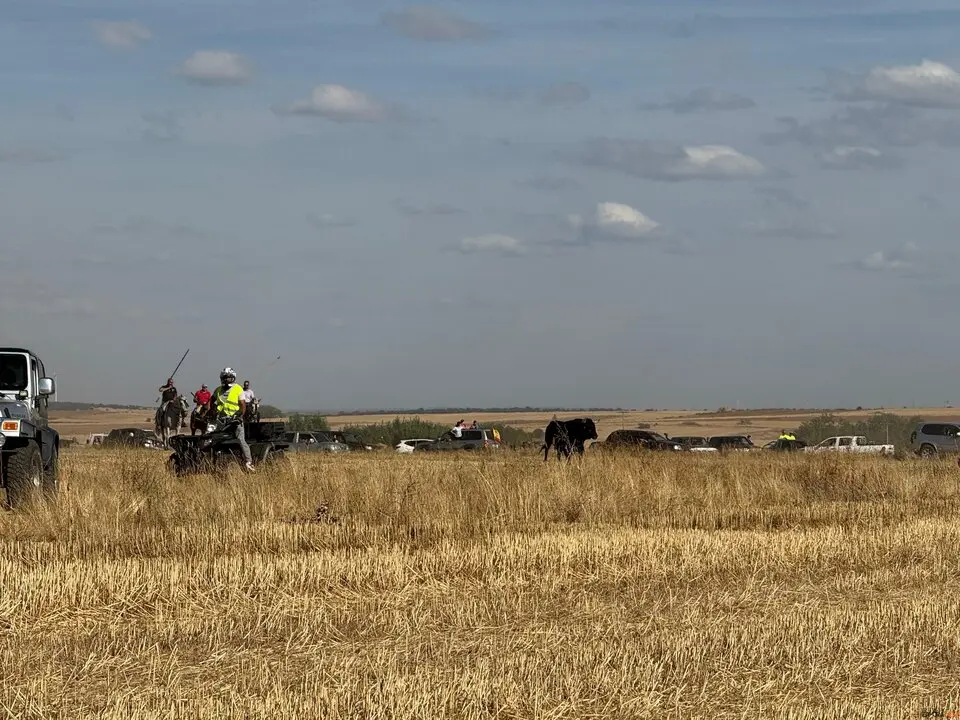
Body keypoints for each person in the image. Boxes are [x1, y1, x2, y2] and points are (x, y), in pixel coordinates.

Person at [206, 367, 253, 472]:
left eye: (229, 377)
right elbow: (211, 400)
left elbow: (243, 405)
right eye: (225, 377)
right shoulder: (218, 390)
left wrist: (239, 416)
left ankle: (248, 462)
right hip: (220, 420)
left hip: (235, 420)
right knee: (211, 437)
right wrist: (210, 410)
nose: (227, 379)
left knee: (241, 440)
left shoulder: (238, 388)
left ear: (233, 378)